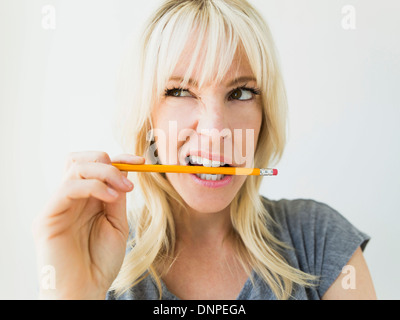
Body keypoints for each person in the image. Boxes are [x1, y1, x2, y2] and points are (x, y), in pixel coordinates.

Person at [32, 0, 376, 300]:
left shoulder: (319, 240)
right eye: (181, 92)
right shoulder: (94, 251)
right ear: (147, 116)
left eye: (241, 93)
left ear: (264, 115)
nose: (215, 132)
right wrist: (72, 295)